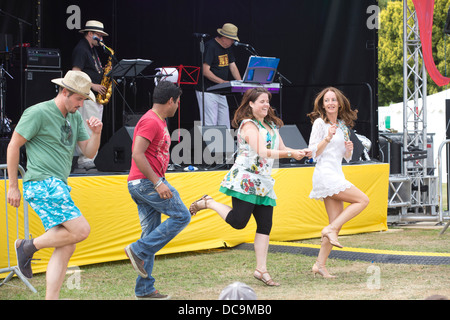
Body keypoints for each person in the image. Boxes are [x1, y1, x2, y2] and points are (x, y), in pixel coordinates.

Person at [189, 88, 311, 286]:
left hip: (263, 182)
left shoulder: (271, 125)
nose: (266, 105)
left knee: (265, 225)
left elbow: (281, 149)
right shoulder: (248, 125)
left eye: (267, 101)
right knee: (238, 222)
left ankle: (261, 270)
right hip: (245, 180)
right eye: (261, 101)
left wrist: (298, 151)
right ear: (251, 104)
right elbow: (263, 151)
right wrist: (291, 154)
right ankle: (208, 202)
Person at [6, 70, 102, 299]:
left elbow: (88, 151)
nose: (81, 104)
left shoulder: (75, 117)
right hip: (41, 183)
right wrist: (12, 186)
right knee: (81, 230)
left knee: (68, 245)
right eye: (79, 99)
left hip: (57, 185)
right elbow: (13, 146)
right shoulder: (38, 112)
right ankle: (26, 247)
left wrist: (96, 133)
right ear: (65, 91)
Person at [124, 81, 191, 300]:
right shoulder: (150, 121)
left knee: (151, 233)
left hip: (145, 182)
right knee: (182, 216)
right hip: (145, 182)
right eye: (178, 101)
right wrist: (157, 182)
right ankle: (138, 250)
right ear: (170, 100)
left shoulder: (158, 121)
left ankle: (144, 289)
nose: (178, 105)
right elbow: (137, 154)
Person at [307, 87, 369, 278]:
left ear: (339, 103)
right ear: (323, 105)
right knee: (363, 200)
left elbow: (345, 157)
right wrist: (327, 138)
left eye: (334, 100)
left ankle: (320, 265)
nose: (331, 103)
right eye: (327, 100)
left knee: (336, 222)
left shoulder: (342, 125)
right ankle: (330, 229)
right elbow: (312, 153)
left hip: (336, 173)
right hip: (325, 174)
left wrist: (348, 149)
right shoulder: (319, 123)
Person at [72, 20, 109, 169]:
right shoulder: (81, 49)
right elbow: (75, 73)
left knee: (93, 127)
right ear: (89, 33)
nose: (101, 39)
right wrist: (93, 86)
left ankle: (89, 158)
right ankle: (84, 160)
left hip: (93, 97)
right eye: (98, 35)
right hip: (87, 95)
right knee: (88, 127)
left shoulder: (92, 49)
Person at [195, 23, 242, 128]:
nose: (233, 42)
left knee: (224, 124)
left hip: (221, 91)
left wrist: (241, 83)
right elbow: (205, 71)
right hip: (207, 90)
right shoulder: (210, 46)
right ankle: (209, 145)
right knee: (210, 124)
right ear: (224, 37)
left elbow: (233, 66)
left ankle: (223, 144)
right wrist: (223, 82)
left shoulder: (228, 47)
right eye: (232, 39)